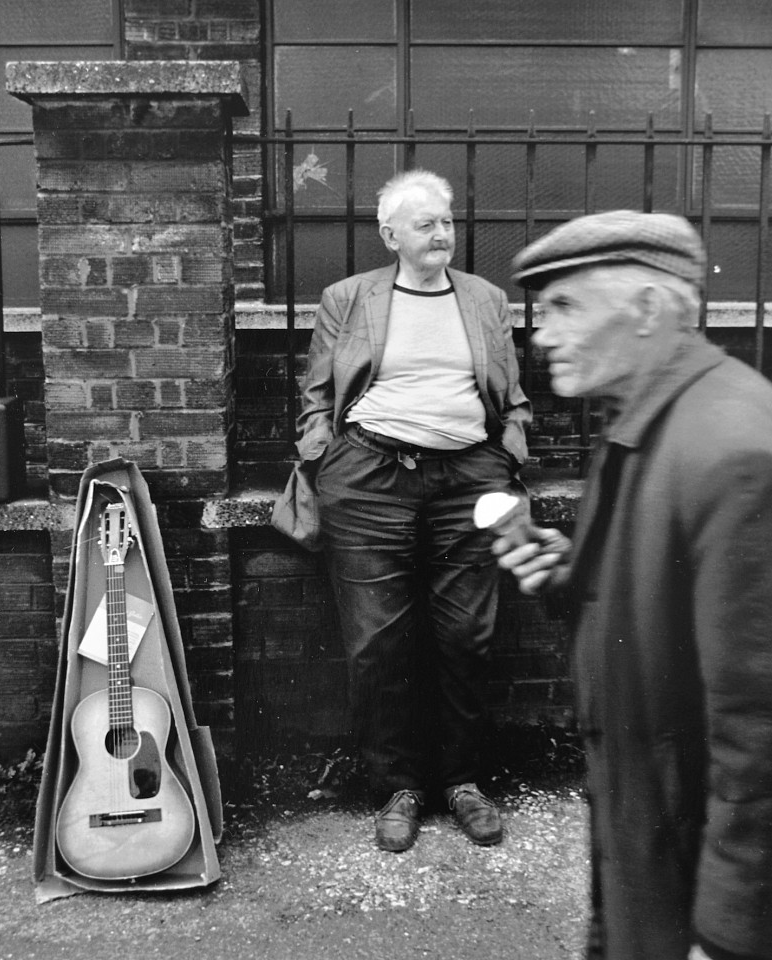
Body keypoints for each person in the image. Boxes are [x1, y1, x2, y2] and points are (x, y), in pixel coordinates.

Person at [494, 211, 772, 960]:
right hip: (663, 844)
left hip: (745, 907)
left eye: (566, 306)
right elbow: (669, 620)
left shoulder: (732, 450)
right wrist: (570, 579)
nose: (540, 334)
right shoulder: (649, 421)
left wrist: (733, 937)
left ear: (648, 310)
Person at [296, 168, 531, 852]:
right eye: (425, 223)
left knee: (466, 635)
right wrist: (324, 457)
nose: (441, 234)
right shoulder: (348, 298)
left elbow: (511, 395)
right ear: (390, 234)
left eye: (447, 222)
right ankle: (398, 787)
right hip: (368, 479)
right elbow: (318, 393)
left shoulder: (485, 299)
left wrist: (506, 458)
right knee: (377, 645)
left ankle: (460, 781)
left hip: (468, 480)